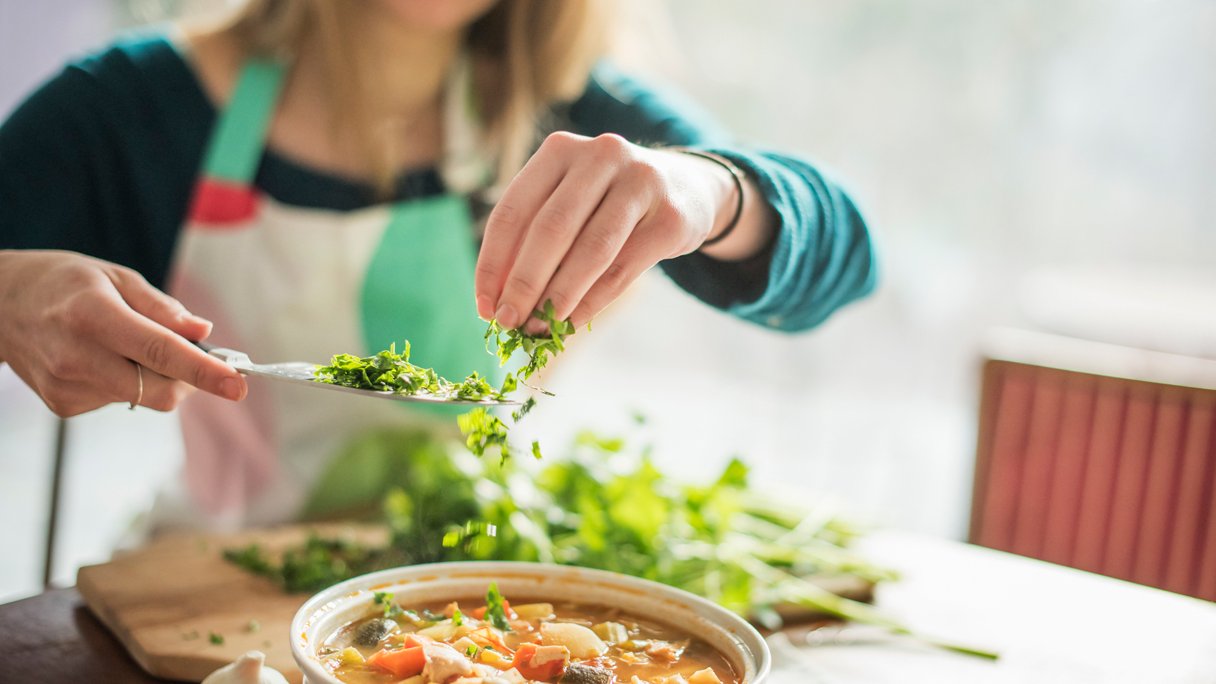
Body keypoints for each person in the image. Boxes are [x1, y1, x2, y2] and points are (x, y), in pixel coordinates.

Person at [0, 0, 876, 529]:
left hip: (467, 609)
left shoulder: (579, 106)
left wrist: (713, 192)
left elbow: (850, 255)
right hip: (206, 603)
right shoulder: (134, 108)